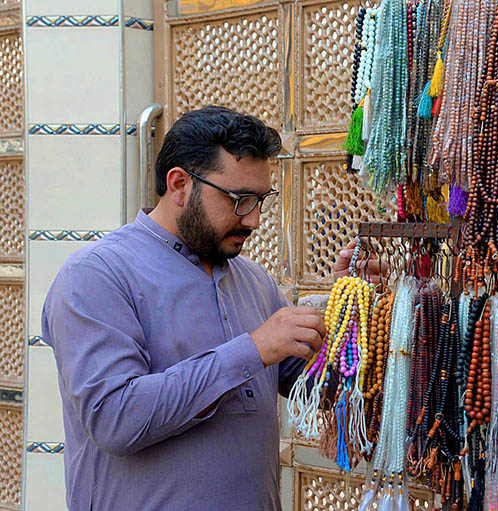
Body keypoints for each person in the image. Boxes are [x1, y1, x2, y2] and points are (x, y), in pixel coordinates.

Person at [42, 106, 383, 510]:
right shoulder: (96, 276)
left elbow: (319, 391)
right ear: (179, 184)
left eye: (260, 200)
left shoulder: (254, 280)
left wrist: (352, 308)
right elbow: (116, 419)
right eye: (239, 199)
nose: (254, 219)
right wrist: (251, 349)